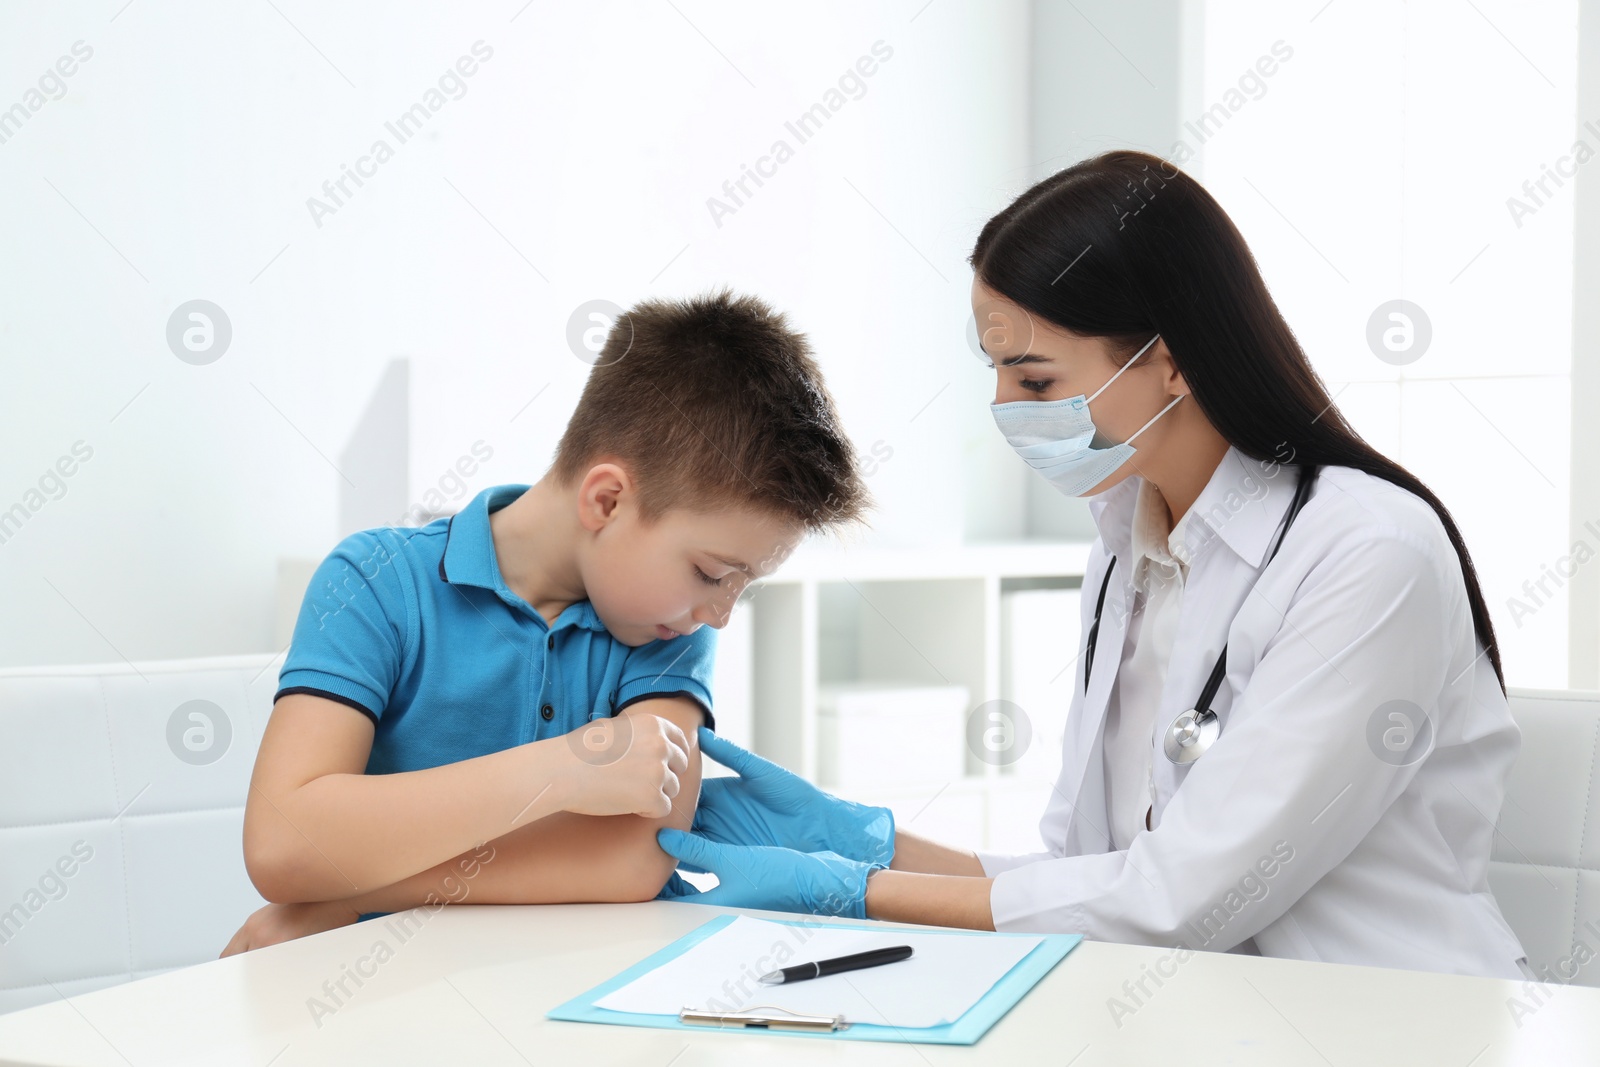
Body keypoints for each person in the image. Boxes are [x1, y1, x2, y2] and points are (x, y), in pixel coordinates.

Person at [655, 151, 1530, 979]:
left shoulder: (1368, 553)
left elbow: (1181, 900)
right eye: (996, 373)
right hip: (1196, 1010)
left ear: (1173, 361)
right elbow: (1091, 878)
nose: (1002, 408)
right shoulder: (1129, 547)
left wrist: (857, 891)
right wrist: (866, 841)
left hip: (1398, 1021)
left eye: (1033, 381)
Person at [222, 290, 868, 955]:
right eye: (711, 572)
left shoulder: (672, 628)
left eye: (744, 584)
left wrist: (347, 889)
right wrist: (561, 769)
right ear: (607, 499)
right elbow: (281, 843)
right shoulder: (374, 581)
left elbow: (630, 861)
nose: (722, 614)